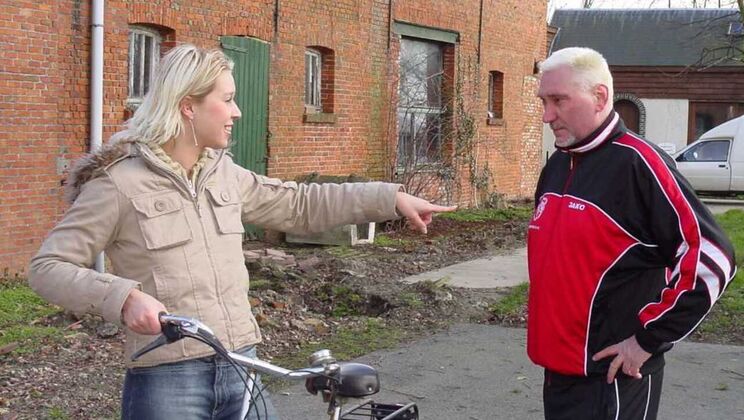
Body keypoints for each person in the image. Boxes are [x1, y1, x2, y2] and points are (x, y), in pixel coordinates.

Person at [28, 43, 455, 420]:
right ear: (188, 106)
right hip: (167, 378)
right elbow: (48, 266)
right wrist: (123, 298)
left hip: (242, 364)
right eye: (228, 100)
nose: (237, 112)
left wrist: (390, 198)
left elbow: (300, 204)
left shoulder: (224, 173)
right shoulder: (119, 183)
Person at [528, 46, 736, 420]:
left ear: (599, 97)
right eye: (544, 101)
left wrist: (647, 340)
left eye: (558, 100)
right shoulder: (558, 164)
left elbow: (713, 257)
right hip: (558, 373)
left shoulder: (639, 164)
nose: (547, 115)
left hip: (614, 378)